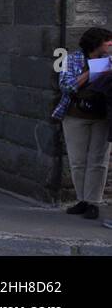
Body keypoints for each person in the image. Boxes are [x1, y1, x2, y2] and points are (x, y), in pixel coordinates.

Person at [54, 26, 112, 219]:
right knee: (78, 160)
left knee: (99, 160)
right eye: (107, 41)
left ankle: (93, 202)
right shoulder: (71, 59)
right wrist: (92, 71)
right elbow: (66, 86)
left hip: (102, 116)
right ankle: (82, 200)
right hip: (76, 115)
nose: (111, 44)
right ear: (96, 44)